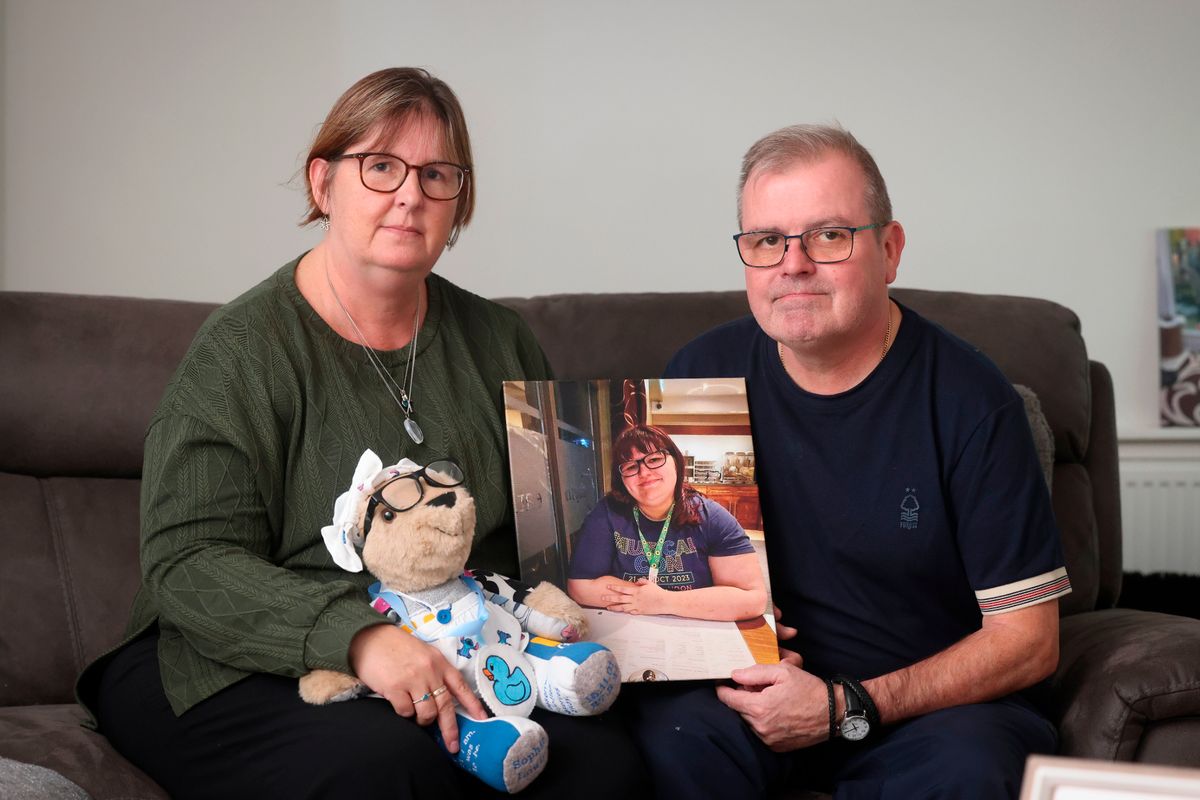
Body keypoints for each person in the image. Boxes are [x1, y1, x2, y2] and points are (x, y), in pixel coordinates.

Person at [78, 68, 642, 799]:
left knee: (605, 767)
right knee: (384, 769)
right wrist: (361, 637)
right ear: (324, 184)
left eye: (436, 174)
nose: (410, 195)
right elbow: (188, 562)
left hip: (457, 638)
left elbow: (547, 540)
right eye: (380, 167)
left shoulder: (501, 341)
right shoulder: (239, 351)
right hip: (237, 653)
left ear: (458, 200)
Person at [650, 124, 1072, 798]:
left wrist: (845, 705)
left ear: (890, 249)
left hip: (927, 713)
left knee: (972, 765)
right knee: (671, 736)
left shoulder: (972, 401)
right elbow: (665, 565)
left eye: (828, 235)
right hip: (754, 698)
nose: (793, 265)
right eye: (766, 240)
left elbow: (1028, 640)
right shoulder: (699, 378)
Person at [567, 424, 767, 621]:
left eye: (654, 459)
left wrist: (664, 601)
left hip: (695, 627)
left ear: (677, 462)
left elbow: (752, 599)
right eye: (630, 466)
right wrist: (642, 599)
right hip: (632, 625)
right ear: (622, 479)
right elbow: (580, 586)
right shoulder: (607, 513)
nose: (644, 472)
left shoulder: (712, 517)